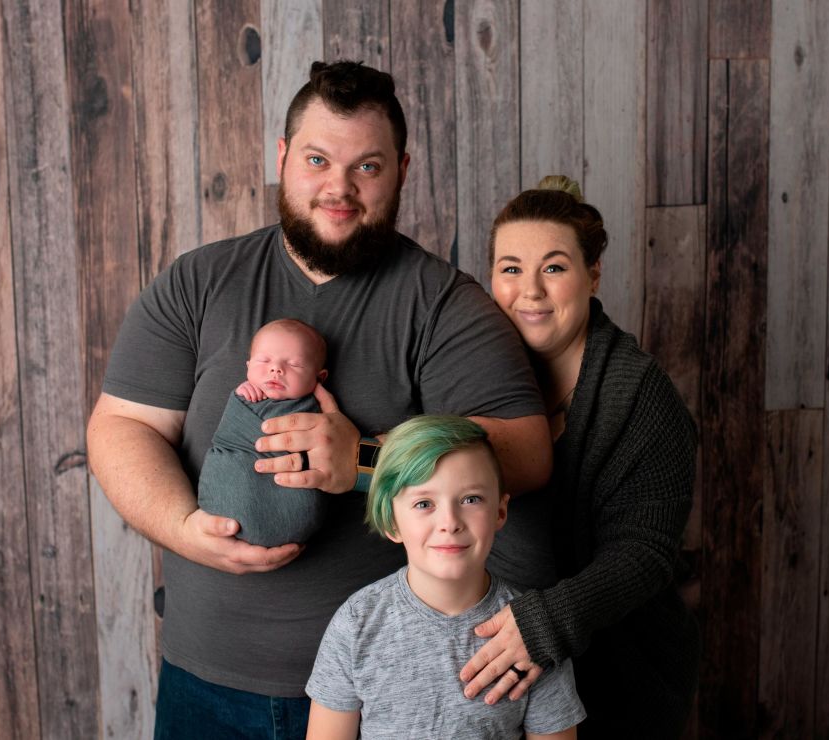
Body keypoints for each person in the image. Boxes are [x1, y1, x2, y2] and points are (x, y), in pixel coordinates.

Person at [85, 61, 551, 739]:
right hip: (204, 679)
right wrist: (186, 529)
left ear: (402, 169)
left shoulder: (445, 306)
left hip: (381, 689)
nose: (339, 187)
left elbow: (529, 452)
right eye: (317, 159)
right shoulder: (199, 282)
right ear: (282, 159)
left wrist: (367, 459)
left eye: (367, 166)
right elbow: (121, 427)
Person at [457, 176, 700, 737]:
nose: (531, 292)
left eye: (555, 267)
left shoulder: (641, 395)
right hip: (500, 676)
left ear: (593, 275)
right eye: (511, 269)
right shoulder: (475, 370)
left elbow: (645, 553)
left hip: (617, 676)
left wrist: (543, 624)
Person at [306, 415, 585, 739]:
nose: (450, 522)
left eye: (470, 499)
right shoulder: (357, 623)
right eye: (424, 503)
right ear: (391, 521)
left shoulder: (531, 633)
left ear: (499, 511)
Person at [198, 319, 330, 547]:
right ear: (248, 366)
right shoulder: (244, 397)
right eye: (264, 360)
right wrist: (240, 395)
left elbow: (324, 450)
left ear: (319, 378)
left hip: (295, 512)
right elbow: (228, 436)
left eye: (295, 364)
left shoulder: (319, 410)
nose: (276, 369)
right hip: (225, 502)